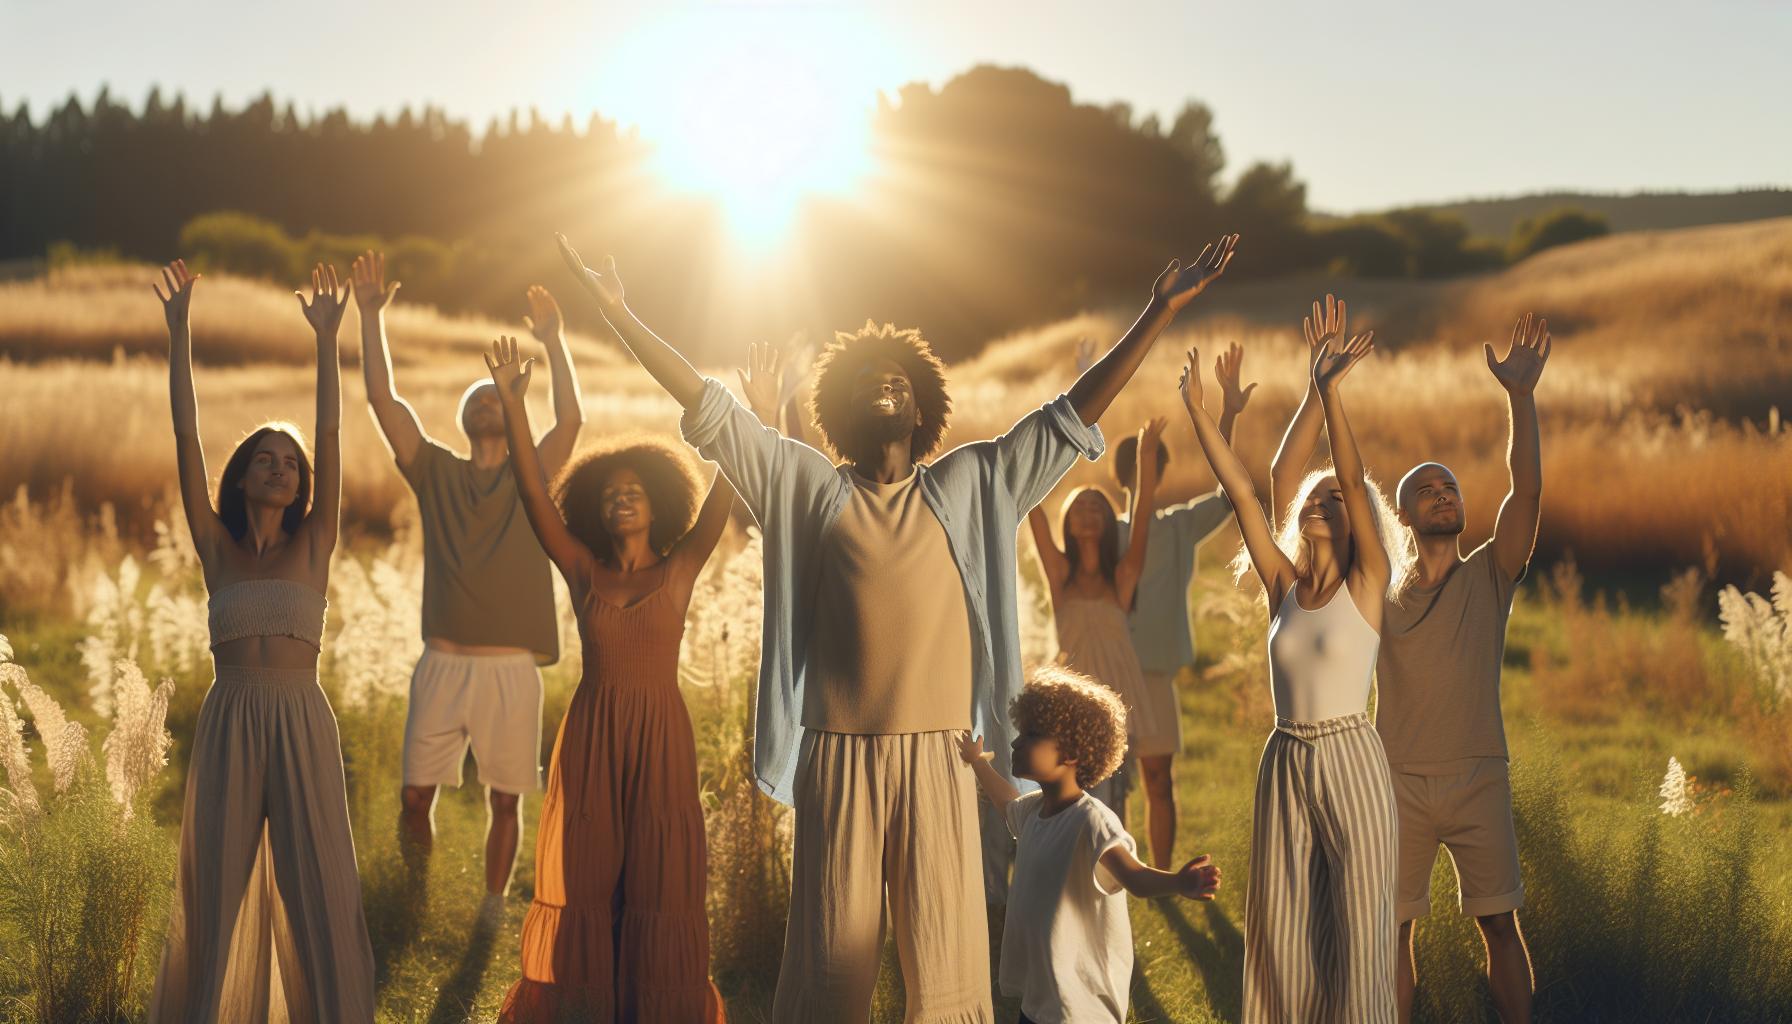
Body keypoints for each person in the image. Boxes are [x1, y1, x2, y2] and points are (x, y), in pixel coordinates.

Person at [556, 230, 1237, 1023]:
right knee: (827, 972)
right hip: (837, 754)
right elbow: (707, 406)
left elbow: (1070, 414)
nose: (886, 385)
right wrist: (619, 311)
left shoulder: (973, 480)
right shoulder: (808, 484)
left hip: (944, 756)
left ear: (923, 407)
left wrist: (1157, 309)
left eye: (900, 380)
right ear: (844, 407)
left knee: (947, 970)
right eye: (869, 380)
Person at [1273, 305, 1548, 1023]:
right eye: (1425, 488)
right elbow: (1285, 484)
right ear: (1400, 514)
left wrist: (1520, 398)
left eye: (1450, 486)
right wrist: (1321, 388)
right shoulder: (1375, 593)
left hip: (1480, 773)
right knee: (1391, 930)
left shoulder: (1493, 573)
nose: (1441, 493)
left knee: (1499, 924)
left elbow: (1527, 492)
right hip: (1392, 780)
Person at [148, 260, 375, 1022]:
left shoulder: (316, 544)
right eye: (263, 460)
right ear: (242, 477)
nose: (279, 469)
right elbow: (186, 435)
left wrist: (327, 342)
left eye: (289, 464)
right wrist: (179, 332)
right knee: (213, 890)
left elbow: (333, 434)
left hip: (301, 718)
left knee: (321, 889)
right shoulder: (216, 546)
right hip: (230, 719)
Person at [481, 337, 730, 1022]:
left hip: (660, 737)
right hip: (593, 735)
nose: (623, 500)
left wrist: (749, 420)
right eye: (613, 493)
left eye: (636, 492)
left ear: (657, 506)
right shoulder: (583, 569)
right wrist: (511, 402)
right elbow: (534, 495)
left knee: (655, 883)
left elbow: (720, 501)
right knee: (590, 879)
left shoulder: (677, 570)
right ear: (598, 505)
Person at [1178, 324, 1406, 1022]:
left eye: (1334, 498)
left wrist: (1330, 392)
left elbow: (1354, 482)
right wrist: (1198, 414)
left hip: (1350, 755)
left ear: (1355, 519)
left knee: (1361, 936)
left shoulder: (1369, 582)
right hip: (1284, 760)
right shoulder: (1281, 585)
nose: (1318, 501)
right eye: (1313, 496)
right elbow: (1246, 491)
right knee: (1282, 934)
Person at [351, 251, 584, 900]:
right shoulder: (435, 472)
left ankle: (489, 910)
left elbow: (570, 422)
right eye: (478, 398)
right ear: (462, 419)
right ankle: (412, 899)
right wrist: (371, 318)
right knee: (413, 794)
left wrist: (554, 343)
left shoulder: (532, 479)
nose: (488, 403)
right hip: (442, 664)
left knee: (505, 803)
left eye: (496, 397)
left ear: (510, 408)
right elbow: (381, 398)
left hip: (511, 669)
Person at [957, 664, 1220, 1024]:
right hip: (1040, 996)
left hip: (1077, 1005)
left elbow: (1134, 877)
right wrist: (977, 764)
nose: (1017, 742)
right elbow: (1006, 804)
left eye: (1032, 734)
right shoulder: (1034, 811)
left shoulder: (1091, 822)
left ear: (1072, 753)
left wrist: (1179, 882)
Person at [1107, 341, 1252, 868]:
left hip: (1158, 677)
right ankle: (1115, 879)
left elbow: (1227, 493)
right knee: (1109, 789)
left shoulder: (1177, 528)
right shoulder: (1106, 533)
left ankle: (1161, 880)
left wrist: (1228, 414)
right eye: (1141, 471)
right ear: (1129, 478)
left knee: (1159, 781)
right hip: (1108, 674)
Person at [1026, 418, 1167, 817]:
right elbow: (1033, 508)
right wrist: (1039, 449)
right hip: (1071, 702)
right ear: (1068, 522)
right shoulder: (1059, 575)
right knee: (1070, 801)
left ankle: (1113, 877)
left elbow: (1140, 518)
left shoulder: (1121, 578)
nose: (1088, 514)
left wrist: (1145, 456)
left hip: (1117, 699)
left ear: (1106, 522)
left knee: (1112, 801)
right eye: (1079, 508)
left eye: (1096, 508)